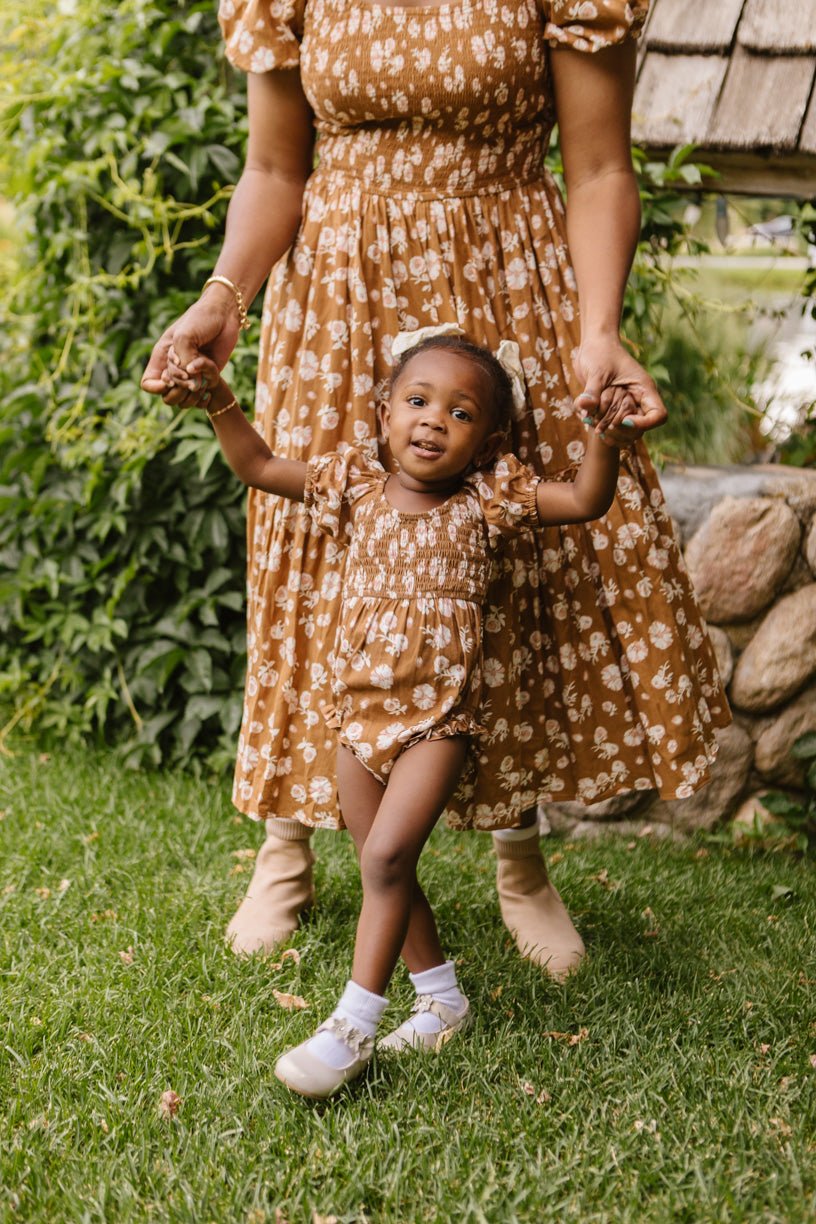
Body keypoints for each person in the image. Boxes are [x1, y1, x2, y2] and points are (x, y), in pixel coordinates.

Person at [141, 0, 729, 980]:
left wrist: (596, 330)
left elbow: (597, 169)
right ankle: (287, 844)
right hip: (338, 295)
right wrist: (224, 296)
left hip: (503, 280)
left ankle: (520, 858)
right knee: (315, 558)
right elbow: (276, 169)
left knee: (516, 566)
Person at [178, 330, 633, 1098]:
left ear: (485, 441)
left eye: (458, 413)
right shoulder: (353, 483)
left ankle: (352, 1025)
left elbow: (587, 499)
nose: (432, 421)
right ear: (384, 411)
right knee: (379, 864)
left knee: (387, 859)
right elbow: (256, 466)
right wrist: (218, 397)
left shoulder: (491, 497)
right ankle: (442, 999)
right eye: (418, 402)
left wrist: (605, 434)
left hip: (438, 721)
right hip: (356, 718)